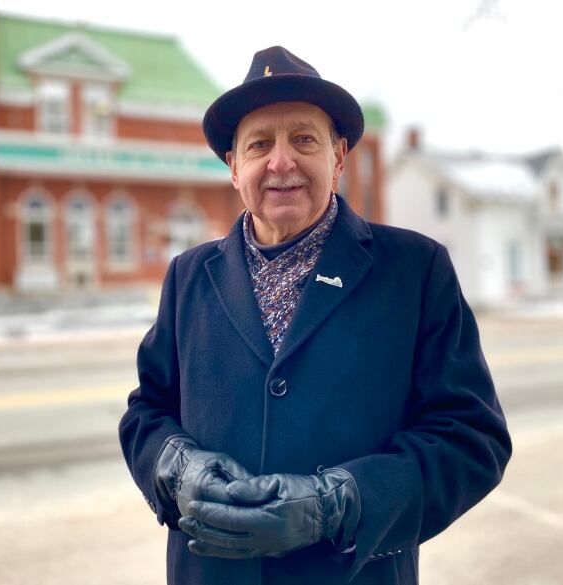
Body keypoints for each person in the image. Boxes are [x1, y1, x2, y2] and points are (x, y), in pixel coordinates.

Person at [118, 46, 511, 585]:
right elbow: (147, 411)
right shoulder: (189, 276)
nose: (281, 162)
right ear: (235, 168)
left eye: (304, 139)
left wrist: (337, 503)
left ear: (339, 157)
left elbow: (472, 438)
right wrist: (174, 467)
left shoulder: (415, 271)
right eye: (259, 145)